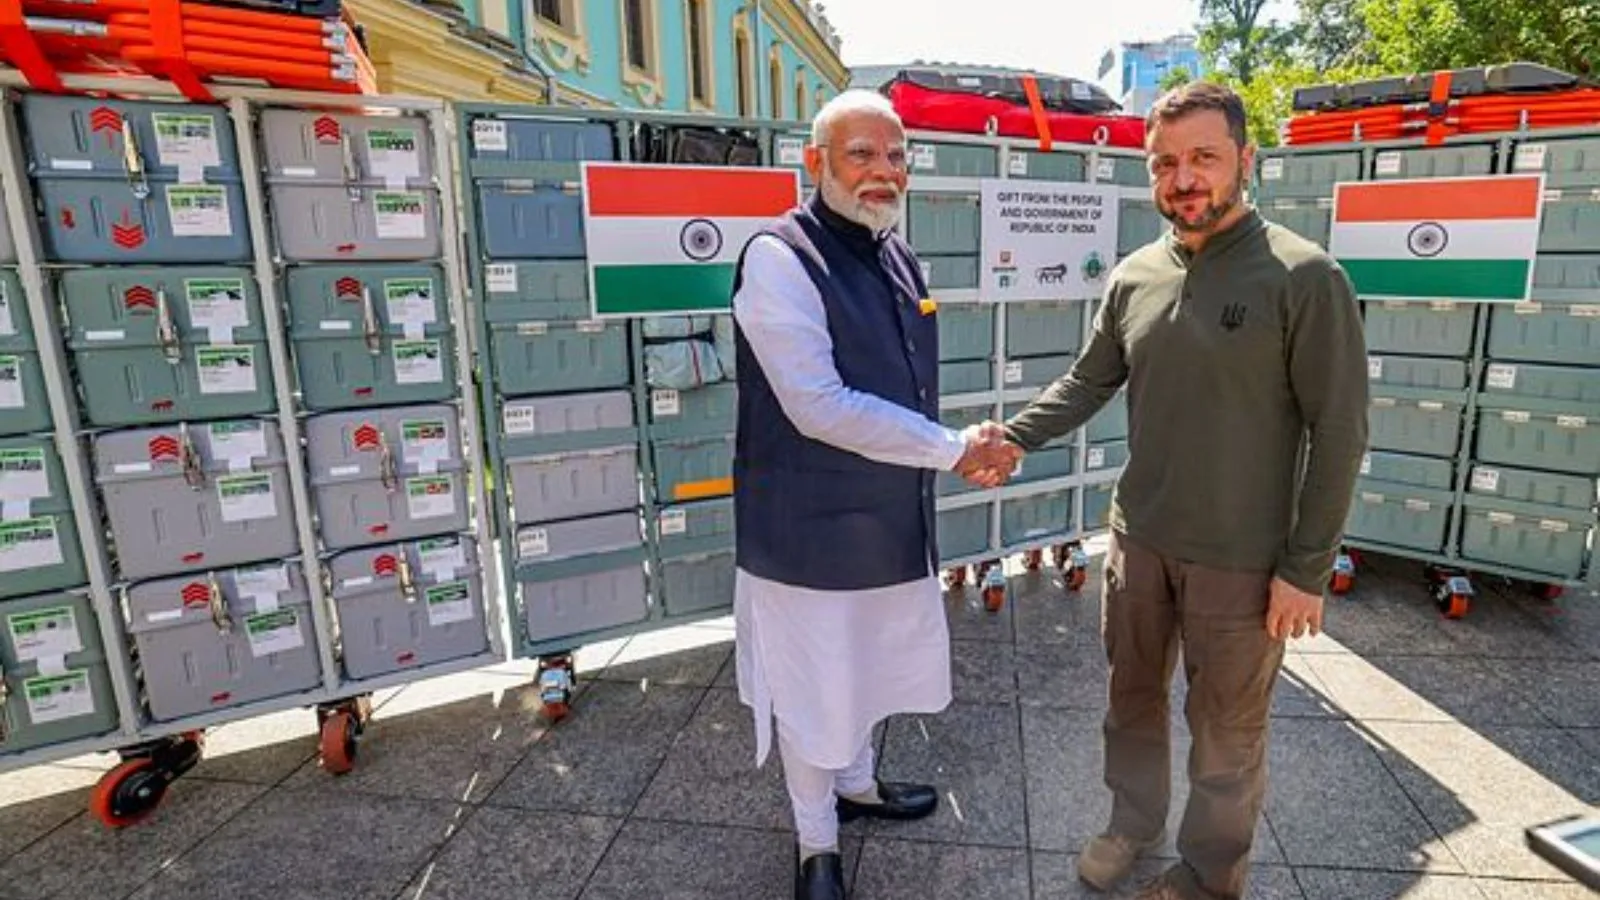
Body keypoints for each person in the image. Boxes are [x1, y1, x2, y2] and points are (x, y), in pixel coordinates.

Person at [984, 81, 1369, 900]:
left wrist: (1306, 568)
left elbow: (1340, 431)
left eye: (1203, 158)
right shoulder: (1136, 275)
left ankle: (1209, 872)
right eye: (1165, 163)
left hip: (1244, 559)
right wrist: (1012, 438)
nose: (1182, 179)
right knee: (1131, 705)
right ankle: (1132, 825)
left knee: (1226, 732)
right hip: (1140, 540)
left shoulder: (1305, 277)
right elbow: (1090, 380)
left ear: (1244, 161)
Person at [728, 89, 1013, 900]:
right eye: (862, 154)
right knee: (813, 681)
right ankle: (815, 842)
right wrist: (955, 449)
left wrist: (956, 445)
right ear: (814, 163)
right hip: (806, 529)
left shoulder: (897, 252)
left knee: (867, 667)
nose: (884, 171)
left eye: (896, 156)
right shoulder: (779, 258)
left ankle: (855, 787)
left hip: (886, 519)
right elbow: (815, 403)